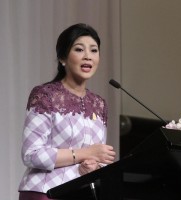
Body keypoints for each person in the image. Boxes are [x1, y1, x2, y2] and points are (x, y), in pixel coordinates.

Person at [18, 23, 116, 200]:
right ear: (63, 58)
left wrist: (92, 167)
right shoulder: (45, 95)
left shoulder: (99, 104)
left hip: (80, 193)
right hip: (45, 192)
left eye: (94, 51)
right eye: (79, 50)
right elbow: (31, 154)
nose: (88, 57)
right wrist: (86, 153)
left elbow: (97, 155)